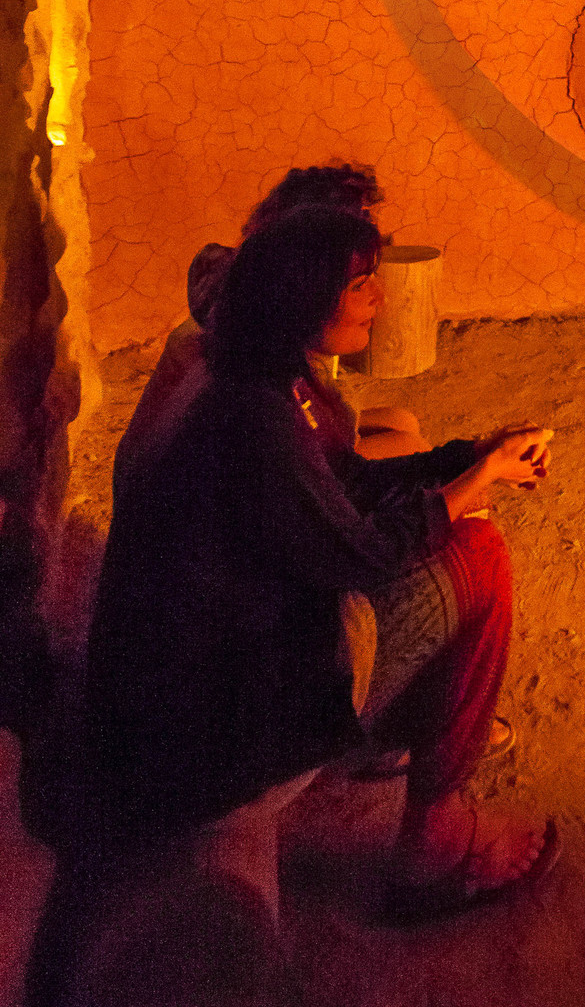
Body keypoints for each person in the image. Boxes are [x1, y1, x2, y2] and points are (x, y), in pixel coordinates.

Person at [84, 197, 560, 920]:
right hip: (211, 740)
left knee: (448, 520)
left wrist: (473, 455)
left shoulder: (259, 369)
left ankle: (415, 758)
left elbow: (348, 480)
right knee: (478, 556)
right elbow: (365, 556)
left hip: (211, 686)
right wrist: (477, 482)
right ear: (306, 296)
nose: (378, 297)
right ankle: (434, 842)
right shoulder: (254, 414)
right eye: (361, 283)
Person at [117, 164, 426, 486]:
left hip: (202, 478)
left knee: (401, 422)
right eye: (359, 281)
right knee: (412, 452)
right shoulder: (253, 351)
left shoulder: (248, 299)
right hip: (185, 501)